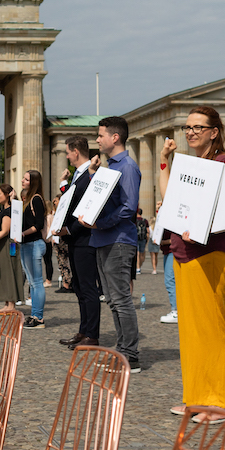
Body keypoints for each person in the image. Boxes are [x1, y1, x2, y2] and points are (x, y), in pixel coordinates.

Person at [159, 107, 225, 424]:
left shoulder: (222, 162)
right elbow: (170, 196)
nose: (190, 132)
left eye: (197, 127)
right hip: (182, 251)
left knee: (211, 328)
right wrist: (165, 159)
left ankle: (217, 402)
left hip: (209, 251)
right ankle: (196, 397)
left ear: (214, 131)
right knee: (190, 331)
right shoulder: (193, 164)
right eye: (187, 127)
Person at [80, 117, 143, 372]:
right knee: (113, 300)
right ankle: (123, 350)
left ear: (114, 137)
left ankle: (130, 355)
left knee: (121, 299)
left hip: (117, 240)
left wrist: (99, 223)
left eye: (100, 135)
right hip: (103, 239)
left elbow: (129, 208)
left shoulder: (126, 167)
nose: (97, 139)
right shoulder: (109, 167)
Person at [60, 136, 101, 350]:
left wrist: (69, 228)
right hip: (76, 238)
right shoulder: (79, 175)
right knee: (78, 286)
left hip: (85, 238)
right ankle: (84, 330)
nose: (66, 156)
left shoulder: (89, 175)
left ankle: (92, 334)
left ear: (76, 151)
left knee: (87, 288)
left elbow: (88, 208)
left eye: (68, 152)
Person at [19, 170, 49, 328]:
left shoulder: (36, 199)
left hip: (34, 243)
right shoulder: (27, 199)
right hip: (26, 244)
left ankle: (38, 317)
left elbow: (37, 225)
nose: (22, 181)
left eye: (26, 179)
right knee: (32, 282)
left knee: (36, 282)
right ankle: (34, 315)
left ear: (33, 182)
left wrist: (23, 232)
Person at [0, 183, 24, 310]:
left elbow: (5, 231)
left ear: (6, 195)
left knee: (9, 270)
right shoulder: (5, 210)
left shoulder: (9, 211)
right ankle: (7, 302)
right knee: (5, 271)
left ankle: (11, 303)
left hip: (8, 245)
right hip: (5, 244)